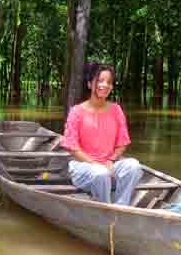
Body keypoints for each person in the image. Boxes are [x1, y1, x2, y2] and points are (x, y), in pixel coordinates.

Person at [61, 63, 143, 205]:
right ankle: (105, 208)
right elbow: (72, 148)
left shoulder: (116, 110)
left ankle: (121, 207)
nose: (105, 85)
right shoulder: (76, 112)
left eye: (109, 82)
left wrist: (111, 161)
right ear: (89, 84)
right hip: (83, 167)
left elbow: (122, 143)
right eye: (100, 80)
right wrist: (95, 164)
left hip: (108, 165)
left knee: (134, 166)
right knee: (101, 173)